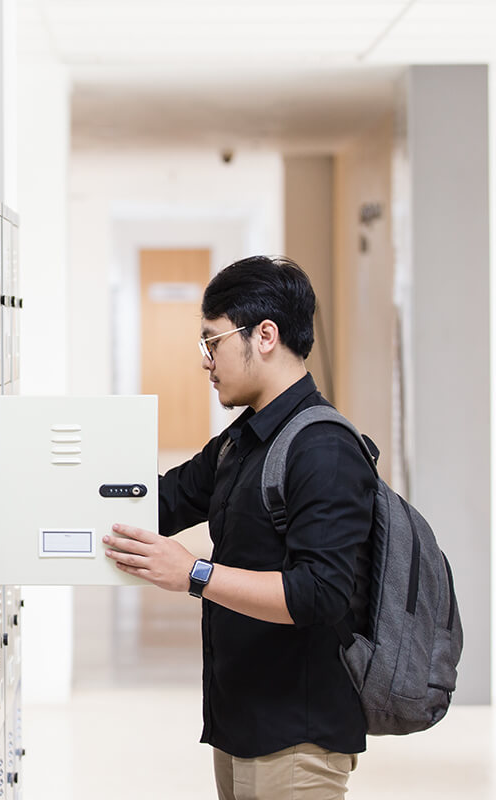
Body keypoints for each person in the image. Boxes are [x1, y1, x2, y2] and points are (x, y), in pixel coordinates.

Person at [103, 255, 374, 800]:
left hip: (297, 738)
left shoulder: (324, 449)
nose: (207, 362)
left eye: (213, 342)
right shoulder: (242, 440)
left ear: (265, 336)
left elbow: (320, 593)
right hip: (240, 722)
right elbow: (163, 501)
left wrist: (195, 574)